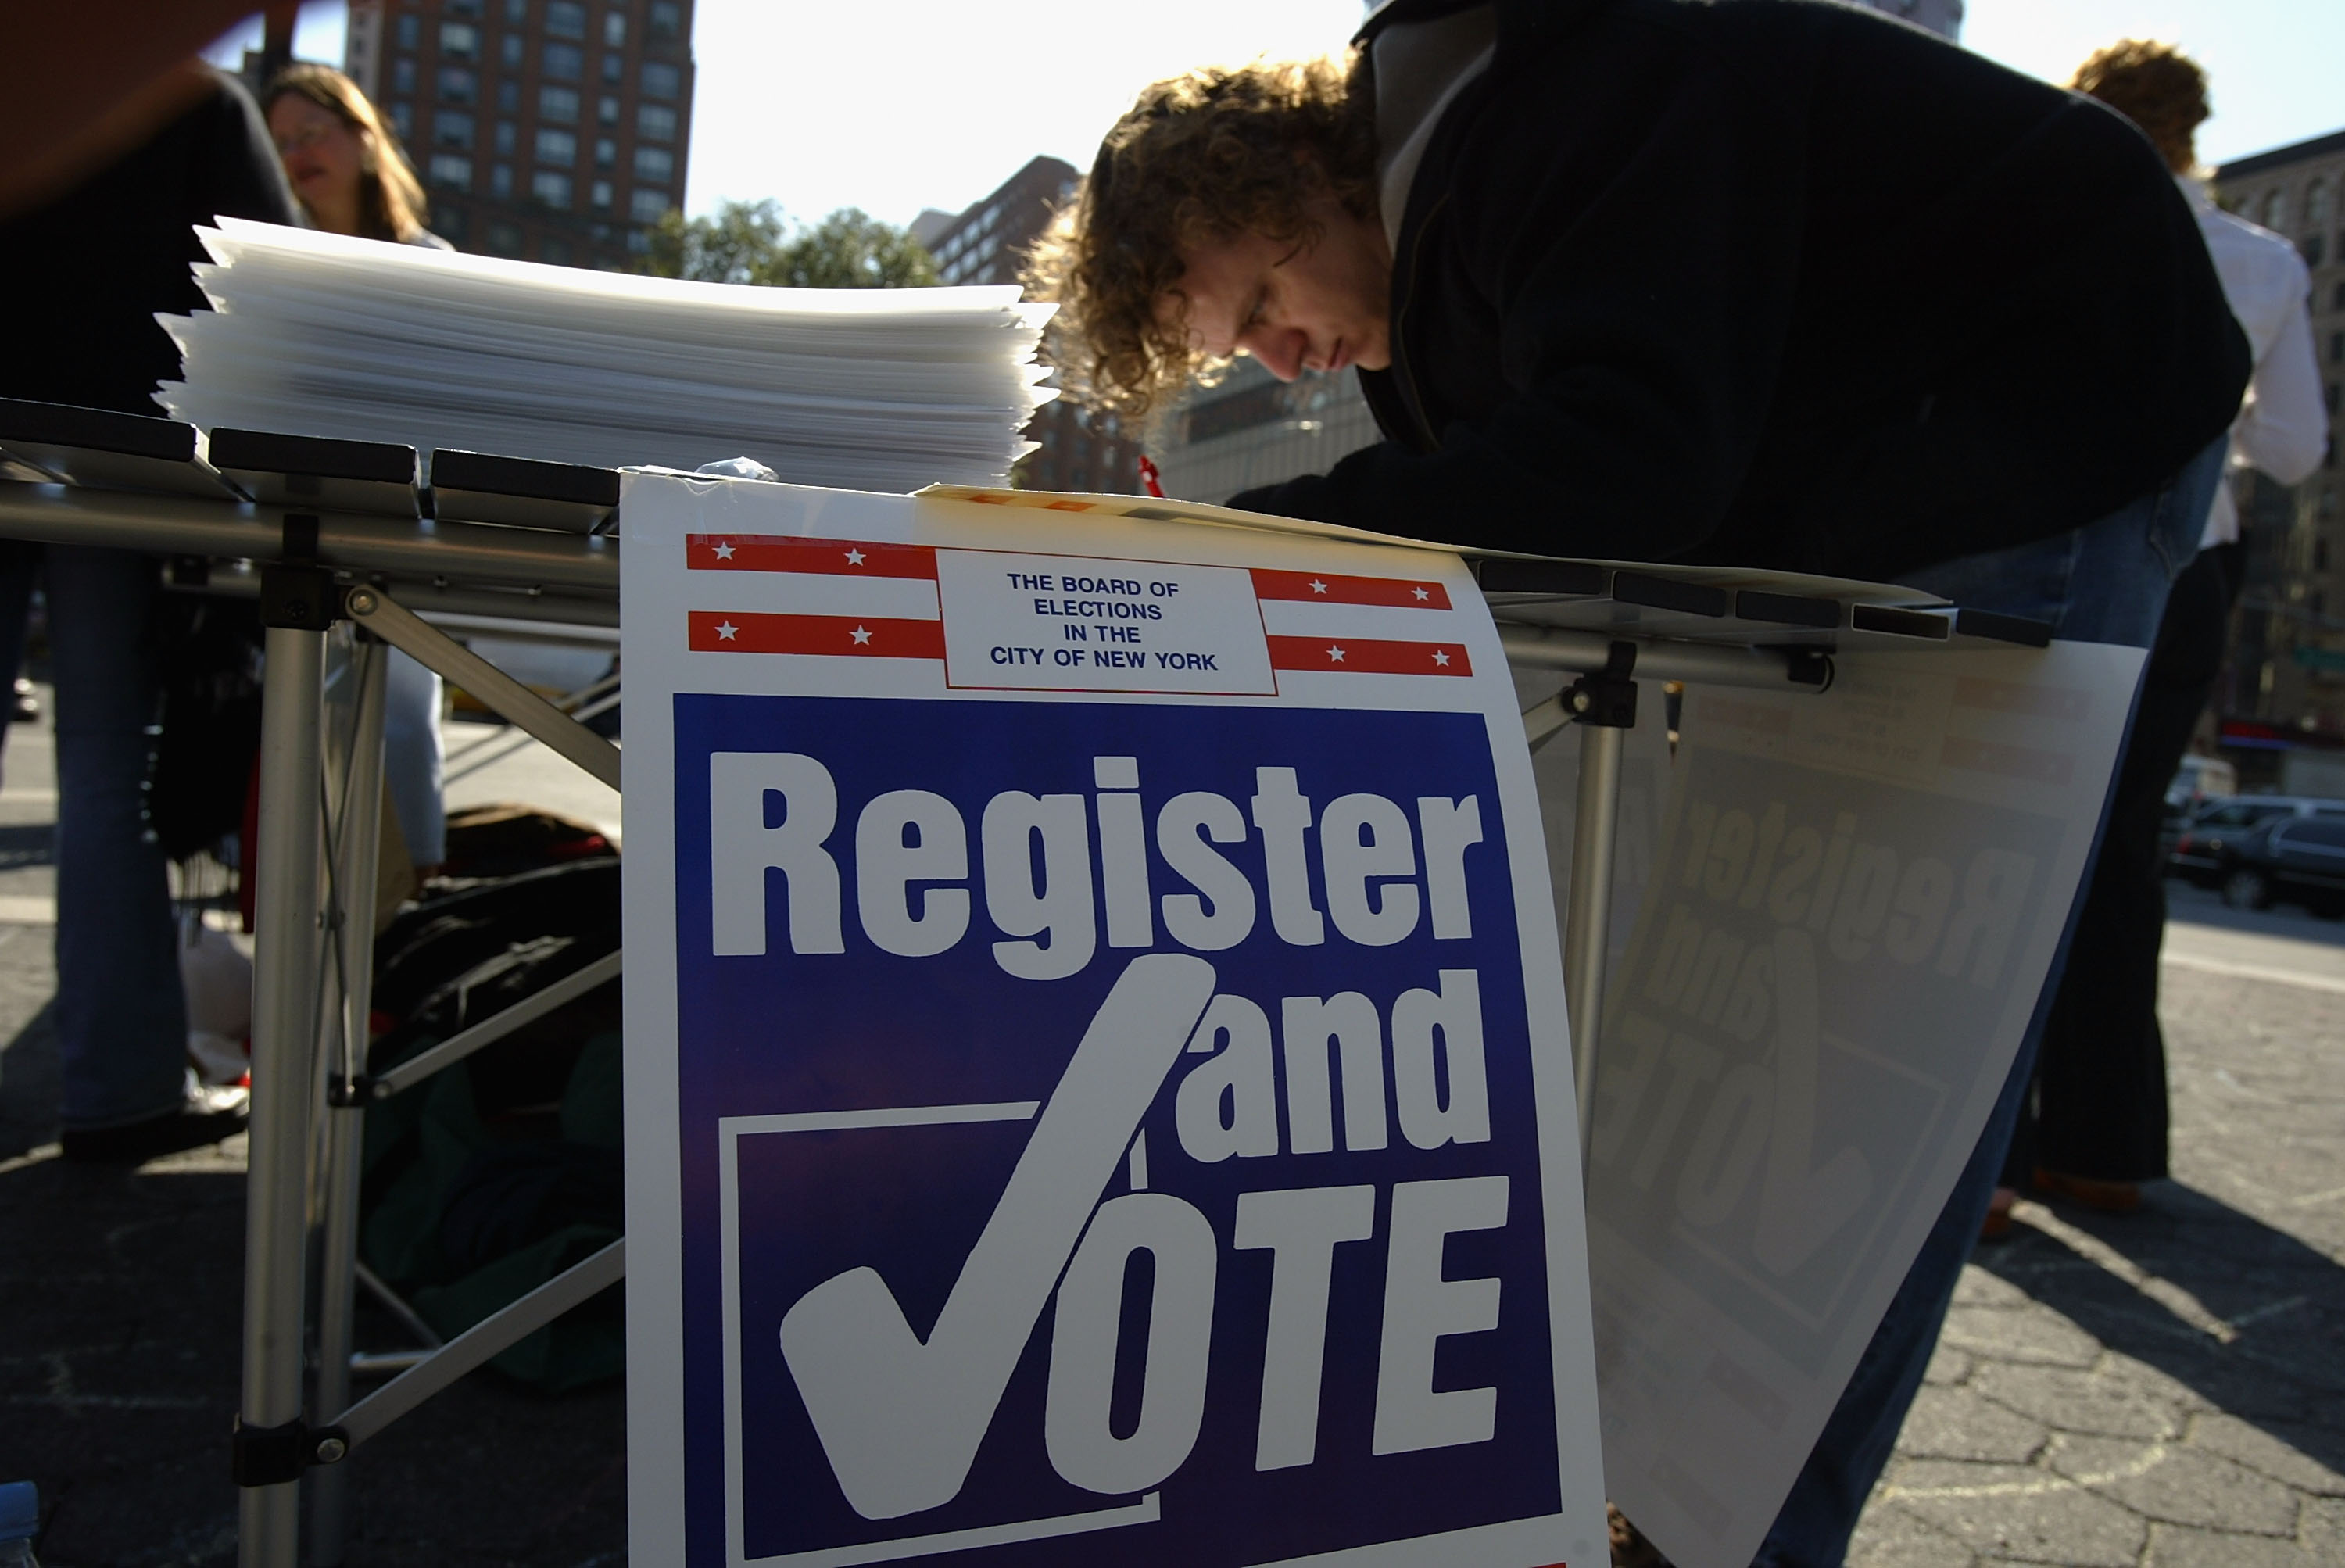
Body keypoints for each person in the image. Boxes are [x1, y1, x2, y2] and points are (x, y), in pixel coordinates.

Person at [1030, 2, 2247, 1563]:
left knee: (1896, 1024)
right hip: (1890, 450)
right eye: (1243, 346)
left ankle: (1732, 1535)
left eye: (1265, 299)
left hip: (2061, 399)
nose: (1285, 357)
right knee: (1742, 1013)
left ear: (1303, 179)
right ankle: (1653, 1480)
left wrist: (1246, 546)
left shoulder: (1576, 95)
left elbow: (1627, 459)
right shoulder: (1444, 262)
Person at [1985, 41, 2327, 1227]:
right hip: (2193, 560)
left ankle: (1985, 1165)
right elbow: (2294, 449)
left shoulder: (2035, 211)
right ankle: (2102, 1146)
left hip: (2044, 538)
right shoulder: (2264, 259)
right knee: (2126, 853)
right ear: (2198, 129)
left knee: (2009, 840)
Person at [0, 66, 299, 1162]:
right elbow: (273, 268)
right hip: (113, 452)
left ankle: (123, 1080)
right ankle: (118, 1089)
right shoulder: (184, 101)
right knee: (105, 768)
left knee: (101, 773)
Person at [260, 63, 449, 872]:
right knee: (300, 721)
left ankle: (415, 904)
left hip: (404, 532)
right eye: (282, 142)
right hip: (295, 524)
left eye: (314, 132)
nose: (299, 153)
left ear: (366, 141)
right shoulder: (272, 260)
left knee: (403, 715)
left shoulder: (430, 262)